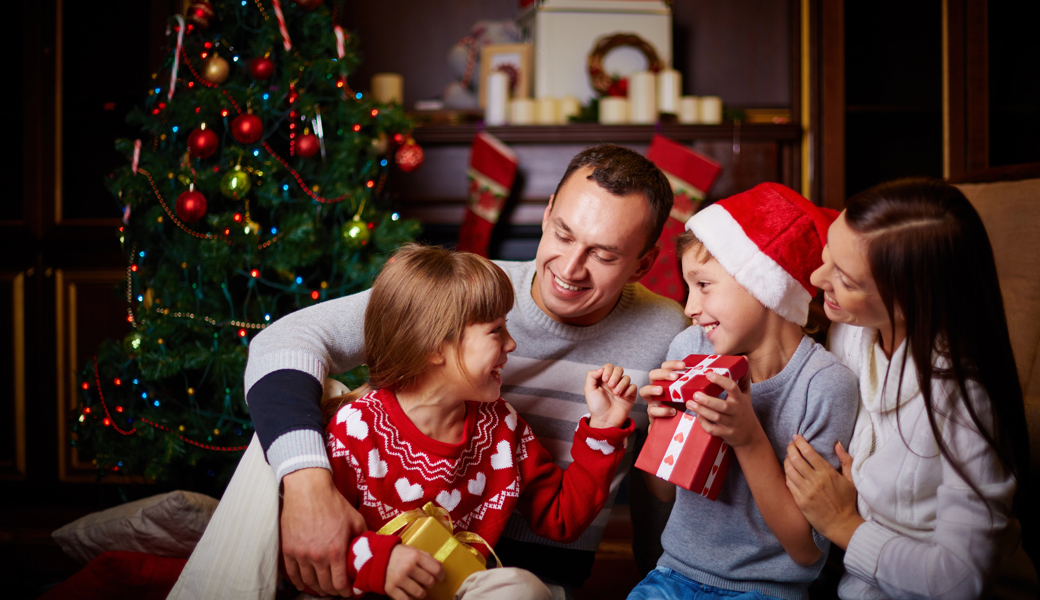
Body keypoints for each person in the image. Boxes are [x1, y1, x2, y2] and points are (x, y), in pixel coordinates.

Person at [166, 144, 689, 600]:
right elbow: (283, 341)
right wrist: (308, 489)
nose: (570, 268)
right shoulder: (466, 296)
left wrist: (657, 577)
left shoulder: (669, 334)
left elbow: (665, 482)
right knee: (307, 398)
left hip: (516, 577)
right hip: (381, 559)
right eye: (562, 233)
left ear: (643, 264)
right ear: (548, 211)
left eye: (602, 253)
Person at [319, 244, 638, 600]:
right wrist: (381, 562)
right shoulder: (356, 429)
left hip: (459, 591)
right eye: (495, 331)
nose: (512, 343)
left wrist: (603, 429)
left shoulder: (501, 427)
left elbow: (561, 517)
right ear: (436, 347)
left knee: (524, 590)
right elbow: (319, 540)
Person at [784, 178, 1038, 600]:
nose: (817, 276)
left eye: (845, 279)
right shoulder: (851, 332)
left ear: (912, 300)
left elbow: (959, 581)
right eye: (829, 252)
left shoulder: (961, 397)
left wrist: (844, 522)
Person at [629, 183, 860, 600]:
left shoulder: (824, 386)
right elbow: (661, 491)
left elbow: (806, 550)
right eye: (688, 288)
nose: (689, 309)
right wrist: (661, 424)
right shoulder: (689, 349)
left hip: (768, 591)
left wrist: (748, 437)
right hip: (672, 575)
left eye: (703, 285)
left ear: (763, 284)